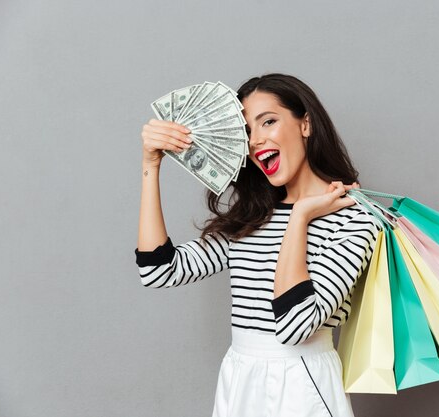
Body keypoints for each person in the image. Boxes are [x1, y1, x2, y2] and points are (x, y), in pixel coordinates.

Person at [135, 73, 379, 417]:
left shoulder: (353, 219)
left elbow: (295, 324)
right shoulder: (251, 219)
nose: (256, 140)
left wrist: (300, 218)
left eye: (269, 121)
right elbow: (158, 270)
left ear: (305, 124)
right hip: (240, 379)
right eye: (247, 130)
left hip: (304, 382)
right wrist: (151, 165)